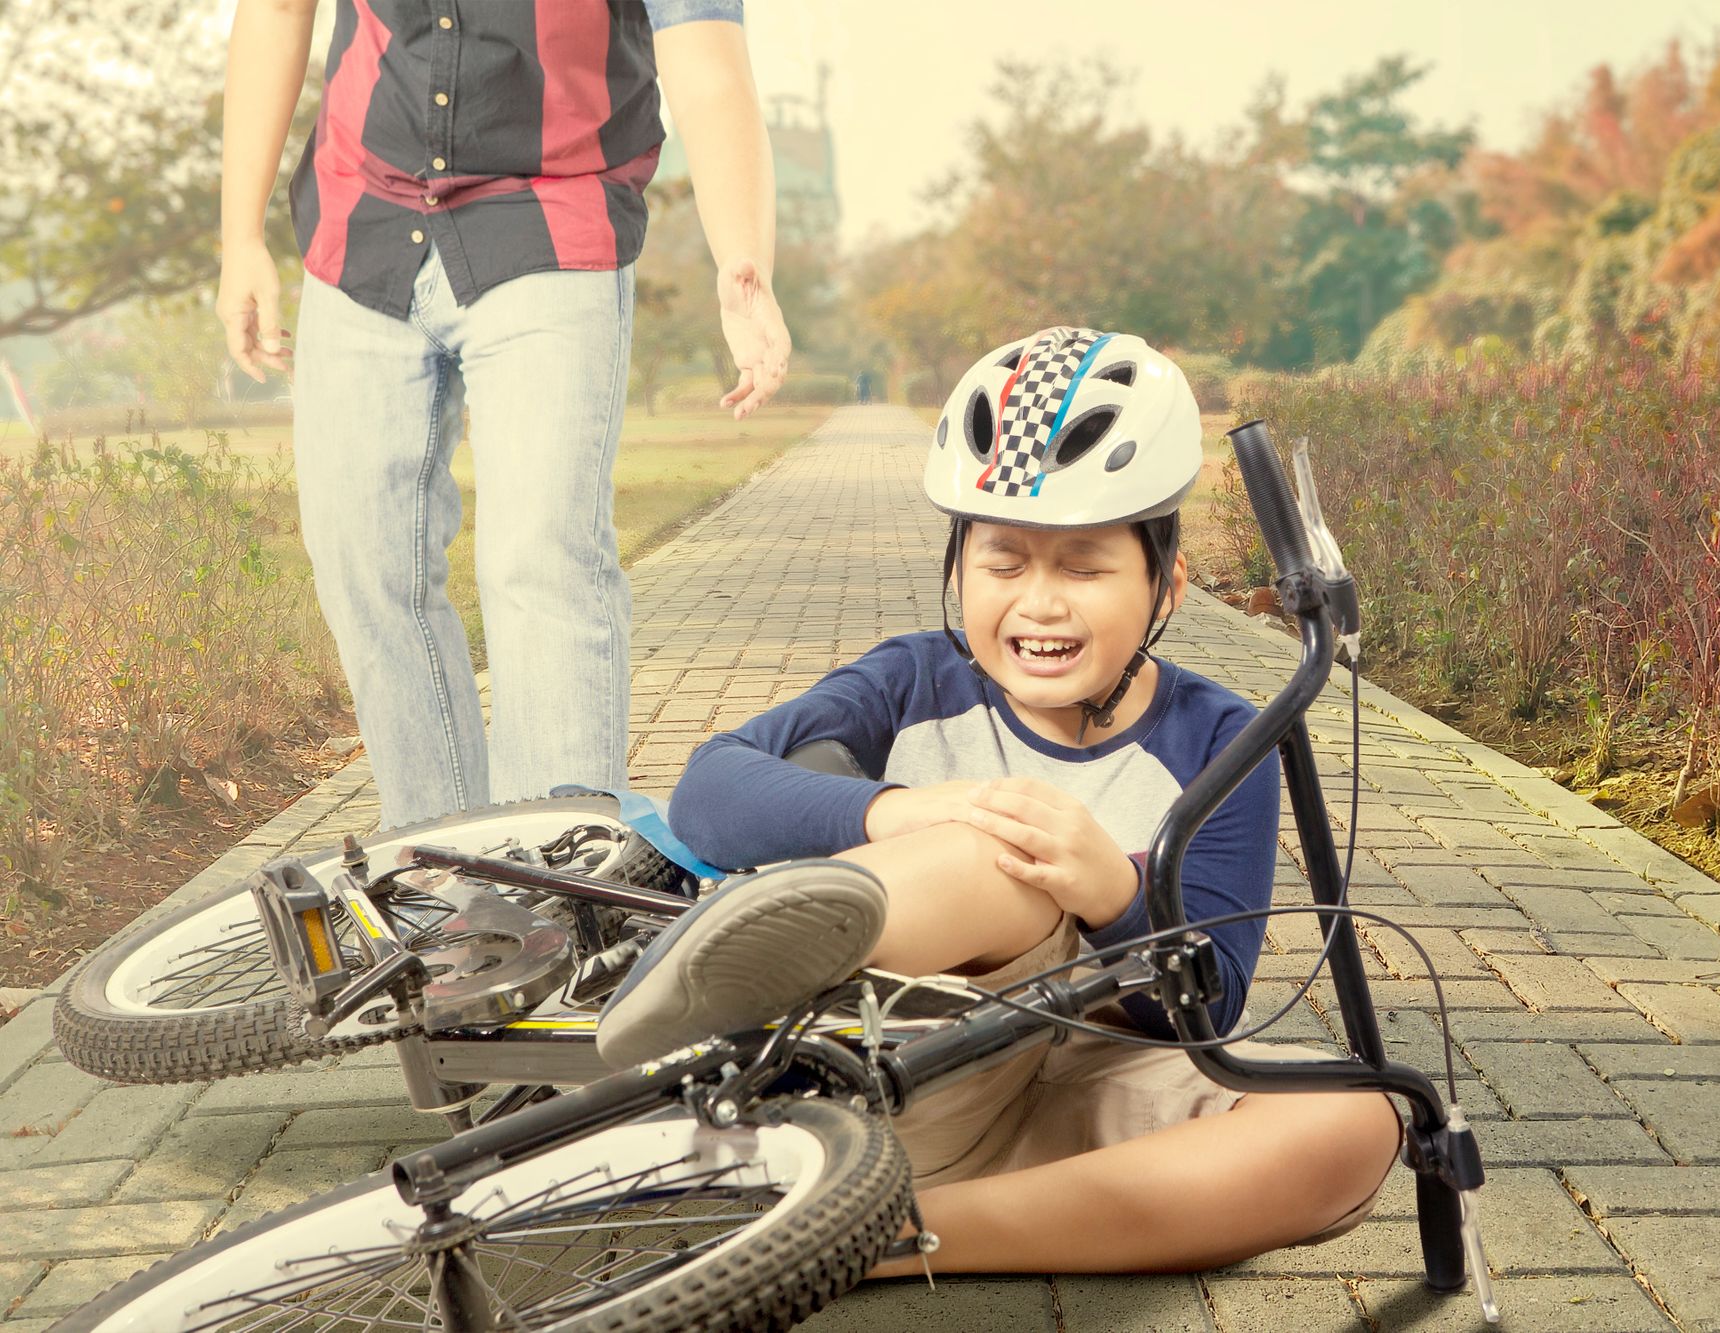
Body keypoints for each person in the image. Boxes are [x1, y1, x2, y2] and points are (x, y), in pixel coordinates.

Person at [598, 327, 1403, 1273]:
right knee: (997, 848)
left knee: (1359, 1118)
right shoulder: (913, 680)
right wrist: (901, 812)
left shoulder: (1224, 739)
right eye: (1004, 563)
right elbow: (708, 788)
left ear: (1166, 588)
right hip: (899, 1065)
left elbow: (1213, 1007)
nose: (1041, 602)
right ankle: (711, 992)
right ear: (957, 572)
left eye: (1085, 566)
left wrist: (1116, 894)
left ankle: (867, 1238)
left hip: (1081, 1094)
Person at [214, 0, 789, 829]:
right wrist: (240, 237)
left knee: (540, 557)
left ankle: (553, 877)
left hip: (551, 215)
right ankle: (439, 862)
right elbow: (276, 9)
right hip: (362, 213)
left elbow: (707, 62)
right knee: (362, 559)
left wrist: (743, 259)